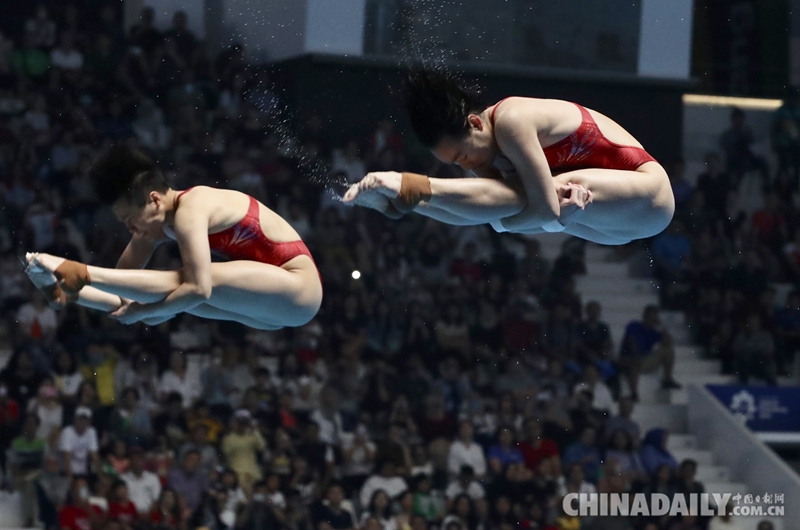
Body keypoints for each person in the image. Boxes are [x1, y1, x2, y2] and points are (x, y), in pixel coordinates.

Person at [344, 69, 674, 246]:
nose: (466, 165)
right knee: (516, 201)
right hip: (607, 228)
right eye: (456, 163)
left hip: (649, 197)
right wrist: (416, 204)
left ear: (475, 123)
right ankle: (410, 198)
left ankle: (410, 187)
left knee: (553, 192)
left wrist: (516, 223)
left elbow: (542, 209)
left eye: (462, 154)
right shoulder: (485, 155)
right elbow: (485, 214)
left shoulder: (512, 120)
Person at [25, 143, 322, 330]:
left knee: (184, 286)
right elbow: (123, 288)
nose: (131, 230)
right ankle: (65, 295)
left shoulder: (191, 209)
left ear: (154, 200)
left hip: (300, 291)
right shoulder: (152, 226)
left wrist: (141, 311)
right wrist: (138, 310)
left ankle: (78, 272)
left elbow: (200, 288)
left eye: (130, 220)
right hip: (268, 313)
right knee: (159, 303)